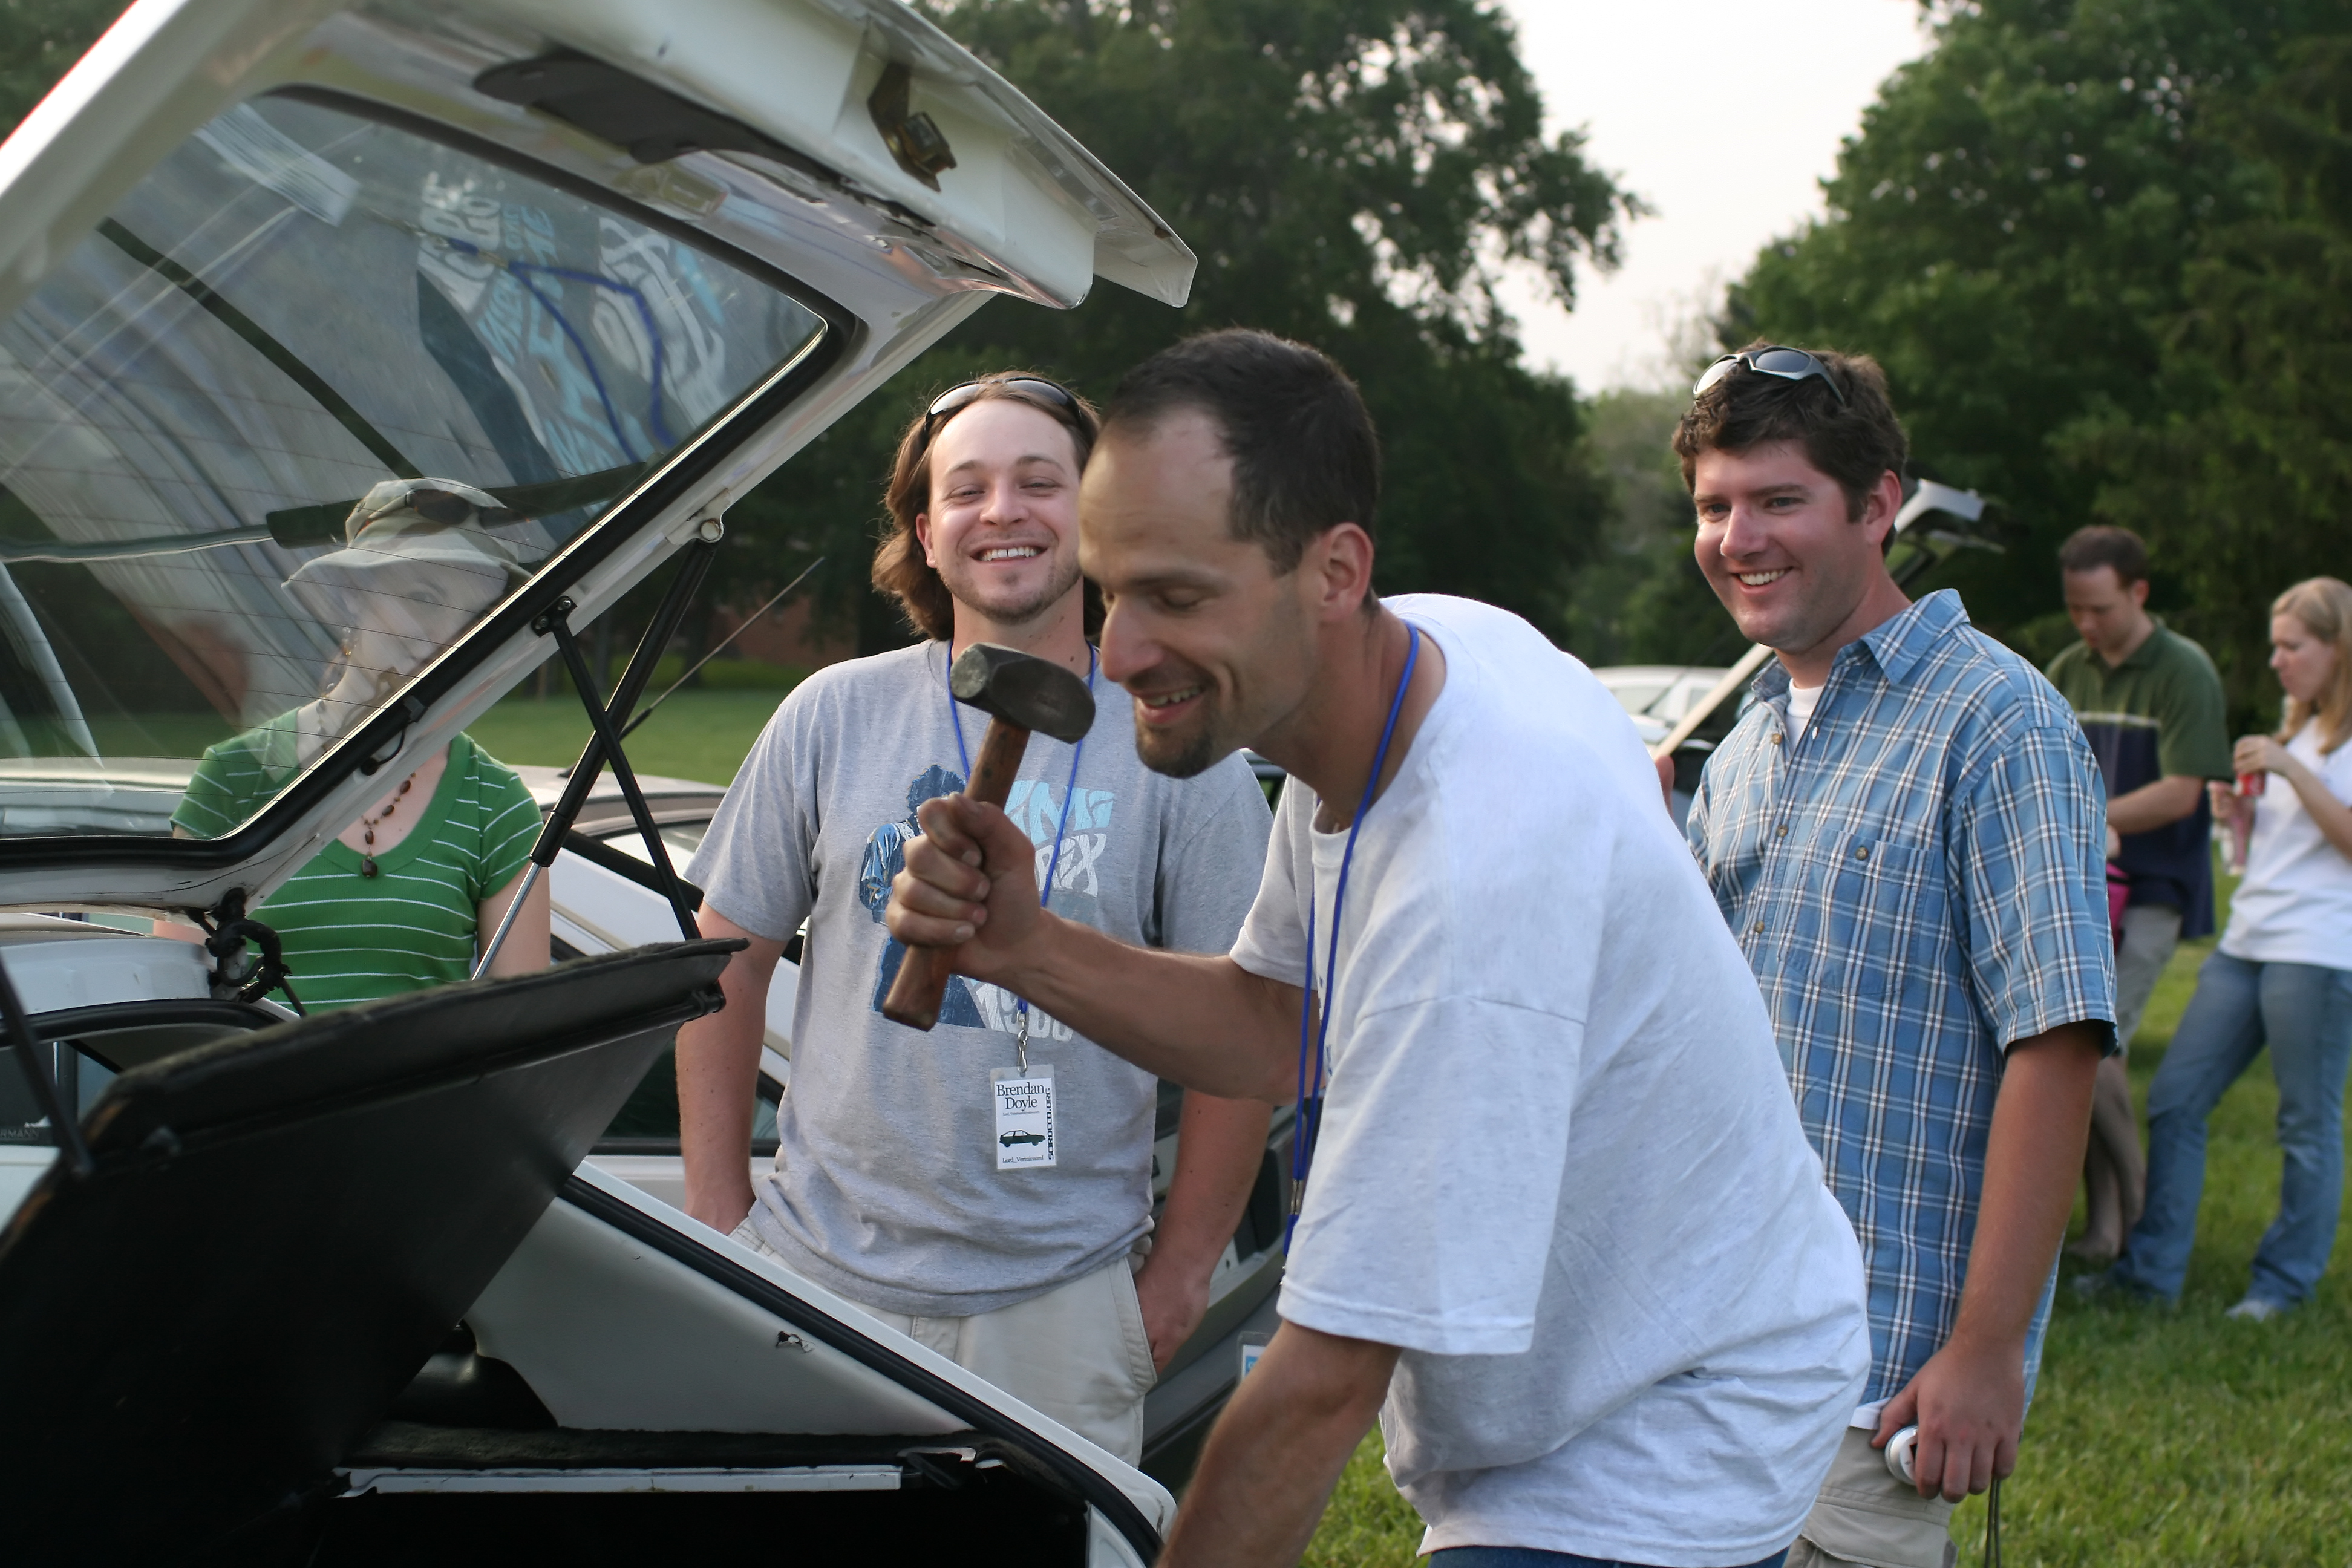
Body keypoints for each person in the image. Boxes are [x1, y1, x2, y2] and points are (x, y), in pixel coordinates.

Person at [890, 330, 1870, 1568]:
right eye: (1112, 588)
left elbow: (1316, 1393)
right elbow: (1282, 1025)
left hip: (1668, 1420)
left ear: (1335, 571)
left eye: (1177, 598)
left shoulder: (1471, 881)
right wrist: (1027, 947)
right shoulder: (1423, 659)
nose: (1119, 650)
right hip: (1641, 1350)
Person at [673, 372, 1273, 1464]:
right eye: (967, 489)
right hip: (820, 1281)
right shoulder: (832, 716)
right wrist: (721, 1219)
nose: (1003, 511)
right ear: (927, 532)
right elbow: (724, 961)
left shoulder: (1182, 751)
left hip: (1060, 1304)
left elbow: (1245, 1031)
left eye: (1040, 482)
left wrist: (1179, 1276)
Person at [1676, 344, 2113, 1568]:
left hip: (1877, 1377)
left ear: (1877, 506)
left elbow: (2055, 1047)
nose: (1737, 539)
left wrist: (1984, 1346)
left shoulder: (1998, 721)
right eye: (1713, 506)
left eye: (1778, 499)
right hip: (1710, 1345)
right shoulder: (1746, 747)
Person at [171, 479, 549, 1003]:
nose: (449, 633)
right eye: (423, 597)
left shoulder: (495, 804)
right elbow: (172, 1000)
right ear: (351, 597)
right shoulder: (235, 777)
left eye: (477, 614)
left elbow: (519, 1021)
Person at [2097, 577, 2352, 1319]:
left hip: (2319, 950)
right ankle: (2151, 1273)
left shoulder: (2318, 745)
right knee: (2176, 1099)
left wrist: (2291, 770)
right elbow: (2265, 855)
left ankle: (2281, 1286)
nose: (2276, 661)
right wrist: (2239, 815)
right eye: (2275, 646)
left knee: (2305, 1125)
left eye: (2292, 647)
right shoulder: (2298, 729)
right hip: (2250, 940)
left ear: (2337, 649)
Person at [2044, 525, 2234, 1263]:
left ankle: (2139, 1209)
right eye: (2076, 609)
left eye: (2100, 608)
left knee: (2096, 1050)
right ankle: (2107, 1228)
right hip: (2081, 887)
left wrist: (2093, 818)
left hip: (2153, 889)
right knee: (2080, 1054)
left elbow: (2183, 791)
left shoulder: (2185, 670)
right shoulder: (2068, 668)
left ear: (2139, 592)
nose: (2086, 624)